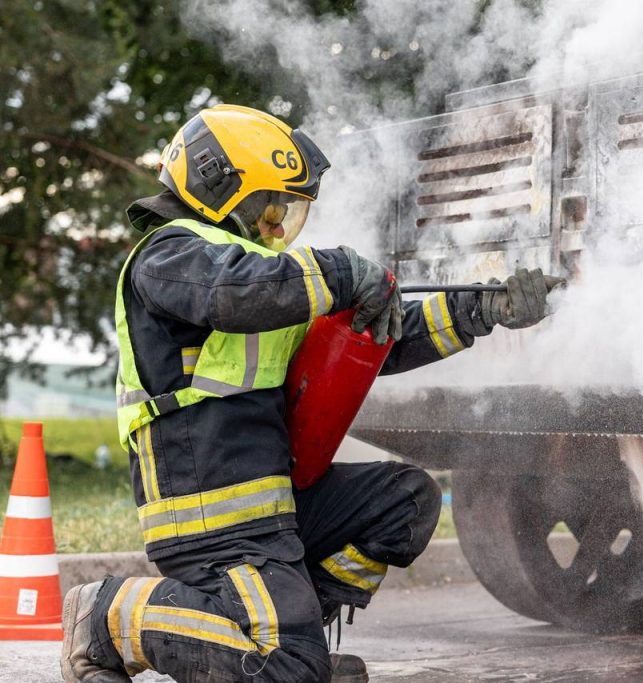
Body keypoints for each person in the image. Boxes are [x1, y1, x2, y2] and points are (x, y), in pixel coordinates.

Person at [60, 104, 562, 683]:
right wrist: (343, 271)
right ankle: (105, 619)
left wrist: (485, 309)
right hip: (209, 516)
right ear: (220, 186)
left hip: (271, 507)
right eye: (270, 206)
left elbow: (373, 342)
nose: (278, 225)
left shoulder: (264, 275)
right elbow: (235, 290)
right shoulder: (171, 255)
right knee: (288, 670)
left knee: (405, 499)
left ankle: (293, 643)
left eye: (285, 211)